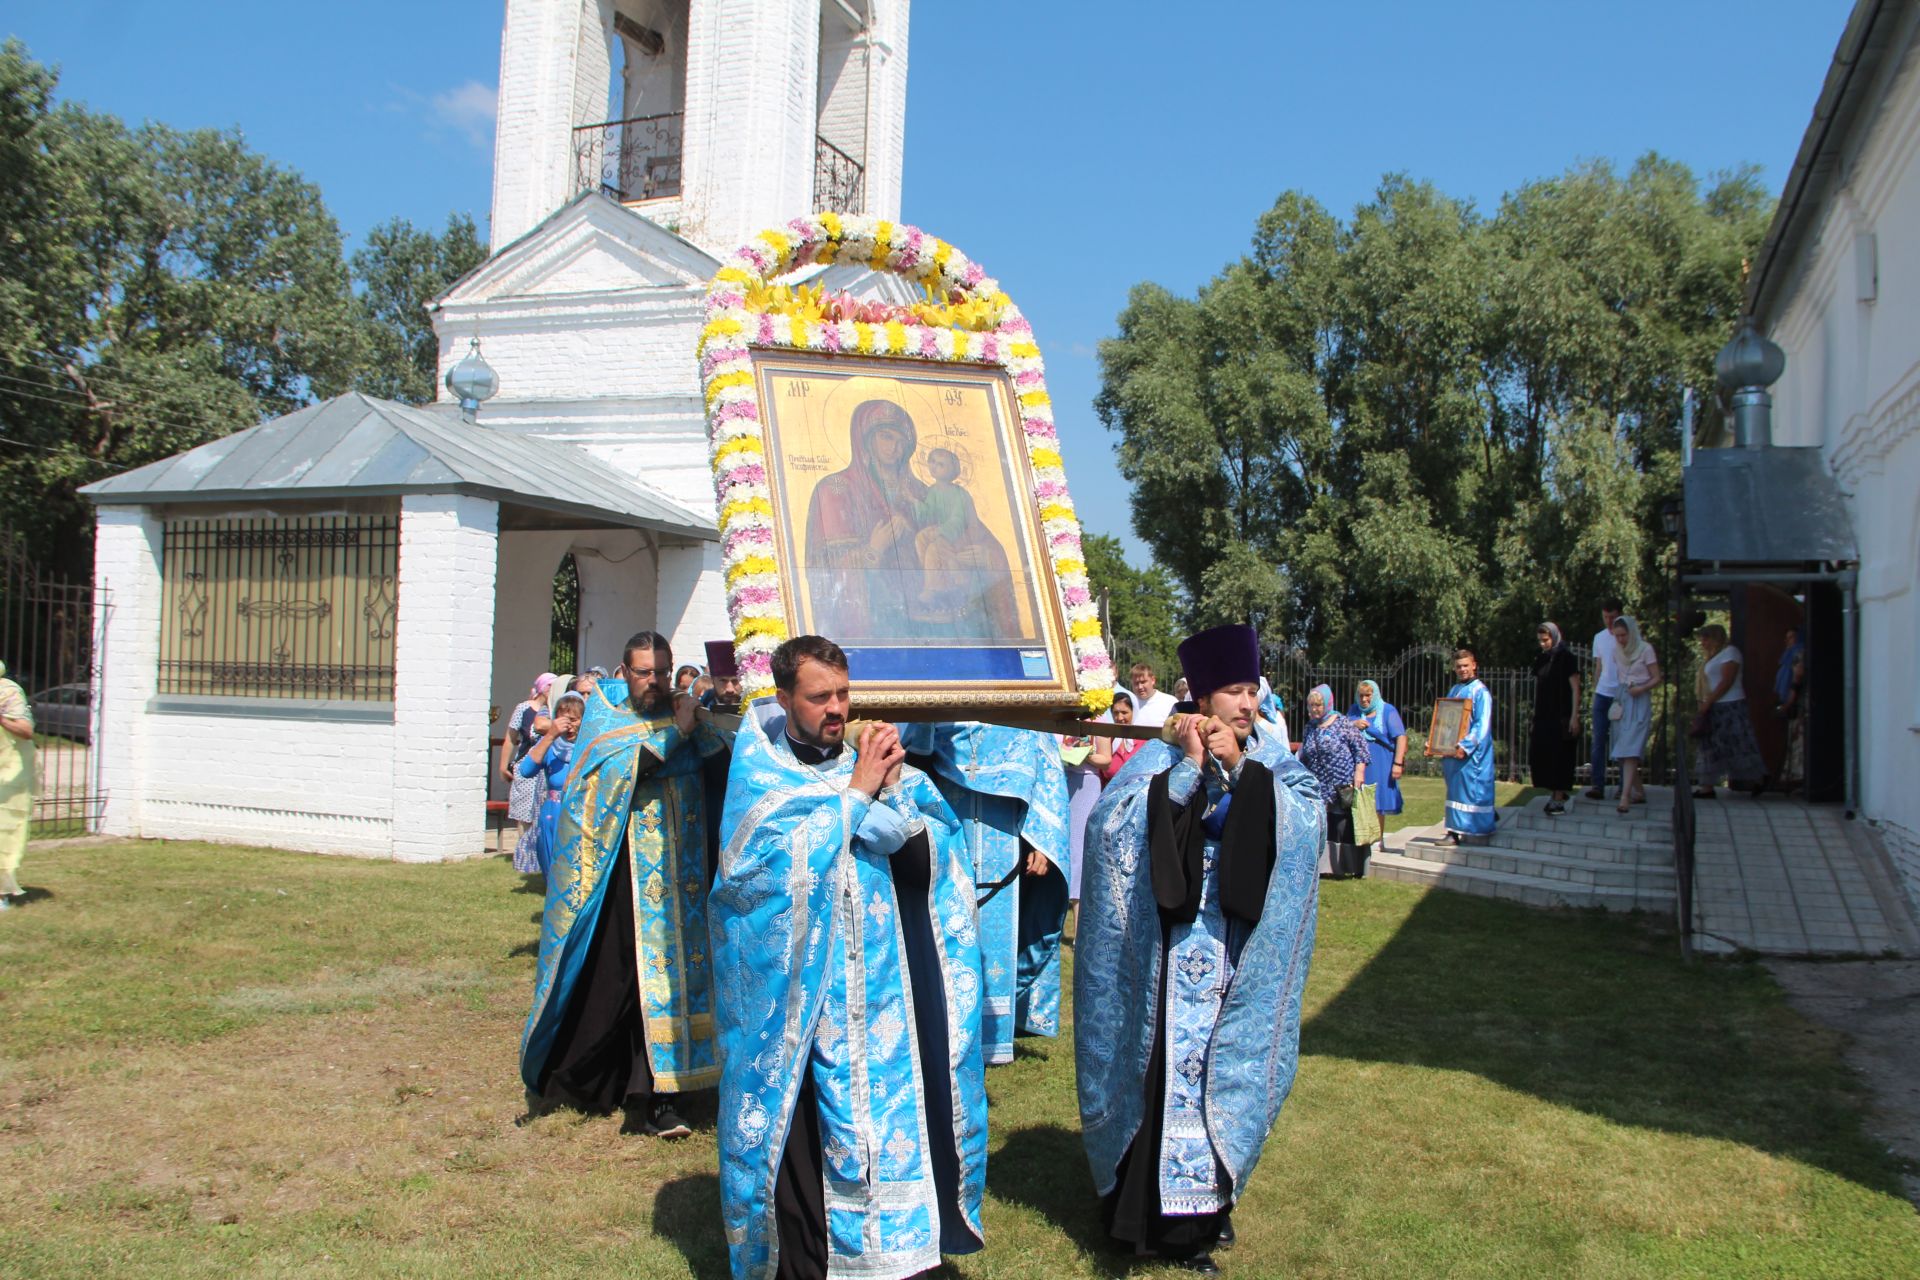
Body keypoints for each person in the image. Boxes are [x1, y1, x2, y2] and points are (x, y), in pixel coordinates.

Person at [712, 635, 987, 1280]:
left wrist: (890, 792)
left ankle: (898, 1256)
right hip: (806, 1004)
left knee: (892, 1130)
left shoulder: (879, 766)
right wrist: (856, 797)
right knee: (814, 1138)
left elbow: (930, 869)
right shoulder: (765, 779)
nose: (836, 710)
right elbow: (756, 882)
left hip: (886, 994)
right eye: (819, 698)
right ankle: (812, 1263)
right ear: (784, 699)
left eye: (842, 694)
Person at [1076, 624, 1322, 1275]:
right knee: (1160, 1079)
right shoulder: (1162, 755)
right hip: (1164, 961)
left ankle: (1205, 1216)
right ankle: (1147, 1226)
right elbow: (1111, 832)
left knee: (1225, 1078)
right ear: (1204, 697)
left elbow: (1306, 823)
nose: (1245, 704)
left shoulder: (1272, 755)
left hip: (1236, 960)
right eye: (1232, 693)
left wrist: (1241, 770)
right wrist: (1188, 770)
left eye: (1251, 692)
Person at [519, 632, 730, 1139]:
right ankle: (592, 1078)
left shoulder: (684, 710)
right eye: (643, 672)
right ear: (625, 671)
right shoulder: (606, 716)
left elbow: (723, 765)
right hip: (619, 877)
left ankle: (664, 1096)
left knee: (677, 986)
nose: (653, 681)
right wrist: (673, 736)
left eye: (661, 671)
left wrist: (702, 729)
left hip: (684, 876)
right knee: (618, 981)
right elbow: (603, 780)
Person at [904, 721, 1071, 1064]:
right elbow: (914, 757)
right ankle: (945, 1029)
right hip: (948, 821)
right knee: (947, 929)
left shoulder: (1019, 708)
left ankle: (994, 1037)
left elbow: (1044, 773)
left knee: (1000, 932)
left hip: (1004, 831)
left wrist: (1038, 842)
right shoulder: (938, 709)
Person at [1692, 623, 1767, 800]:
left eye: (1706, 638)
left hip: (1730, 704)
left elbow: (1726, 681)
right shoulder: (1712, 657)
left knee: (1738, 743)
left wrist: (1709, 700)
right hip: (1714, 706)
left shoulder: (1730, 653)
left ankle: (1759, 777)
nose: (1703, 643)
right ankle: (1707, 786)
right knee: (1709, 745)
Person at [1301, 684, 1369, 877]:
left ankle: (1346, 866)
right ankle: (1325, 868)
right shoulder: (1310, 728)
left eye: (1318, 705)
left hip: (1342, 783)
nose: (1314, 710)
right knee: (1323, 824)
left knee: (1342, 824)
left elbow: (1361, 750)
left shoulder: (1342, 723)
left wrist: (1359, 774)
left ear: (1327, 704)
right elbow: (1305, 755)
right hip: (1318, 784)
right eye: (1311, 706)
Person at [516, 690, 585, 876]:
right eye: (563, 720)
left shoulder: (590, 749)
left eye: (574, 719)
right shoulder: (551, 747)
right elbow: (526, 770)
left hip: (581, 816)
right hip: (553, 816)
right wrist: (550, 736)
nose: (569, 726)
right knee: (555, 876)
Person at [502, 673, 556, 873]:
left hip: (544, 770)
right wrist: (503, 766)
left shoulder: (554, 711)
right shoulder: (524, 709)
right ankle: (524, 858)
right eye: (550, 685)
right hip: (526, 765)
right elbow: (511, 738)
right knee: (524, 814)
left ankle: (540, 858)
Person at [1443, 648, 1496, 843]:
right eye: (1458, 666)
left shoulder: (1480, 691)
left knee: (1473, 790)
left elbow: (1482, 724)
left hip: (1472, 754)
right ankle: (1454, 830)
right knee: (1455, 790)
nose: (1462, 669)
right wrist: (1436, 743)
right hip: (1453, 751)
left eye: (1466, 665)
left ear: (1474, 665)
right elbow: (1445, 720)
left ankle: (1476, 829)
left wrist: (1466, 746)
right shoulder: (1454, 690)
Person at [1608, 615, 1659, 814]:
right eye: (1617, 636)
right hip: (1623, 698)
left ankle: (1624, 797)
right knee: (1622, 750)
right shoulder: (1616, 650)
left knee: (1631, 749)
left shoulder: (1645, 650)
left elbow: (1657, 677)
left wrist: (1642, 688)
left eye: (1624, 635)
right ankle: (1639, 791)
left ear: (1631, 632)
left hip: (1639, 698)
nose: (1621, 640)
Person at [1529, 623, 1582, 815]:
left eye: (1546, 640)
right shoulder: (1542, 659)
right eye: (1540, 641)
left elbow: (1575, 687)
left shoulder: (1567, 658)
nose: (1543, 644)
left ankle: (1558, 797)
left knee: (1560, 756)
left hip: (1562, 714)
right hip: (1544, 714)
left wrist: (1574, 716)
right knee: (1541, 755)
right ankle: (1555, 792)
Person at [0, 660, 35, 908]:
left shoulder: (8, 691)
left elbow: (26, 730)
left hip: (8, 774)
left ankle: (1, 894)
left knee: (2, 834)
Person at [1347, 679, 1406, 825]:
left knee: (1378, 800)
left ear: (1375, 694)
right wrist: (1353, 724)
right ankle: (1362, 837)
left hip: (1382, 762)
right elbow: (1341, 729)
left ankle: (1378, 839)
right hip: (1358, 763)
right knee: (1360, 800)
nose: (1364, 699)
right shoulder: (1354, 710)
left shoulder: (1387, 710)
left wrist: (1398, 763)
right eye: (1361, 695)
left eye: (1368, 695)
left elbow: (1401, 737)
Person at [1585, 599, 1623, 800]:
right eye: (1606, 617)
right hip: (1603, 692)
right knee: (1598, 740)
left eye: (1613, 617)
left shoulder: (1626, 636)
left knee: (1620, 741)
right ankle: (1597, 784)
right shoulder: (1599, 638)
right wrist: (1595, 687)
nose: (1609, 621)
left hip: (1620, 693)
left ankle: (1623, 786)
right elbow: (1599, 664)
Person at [1095, 691, 1143, 783]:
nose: (1119, 718)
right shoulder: (1106, 742)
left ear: (1134, 712)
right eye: (1115, 713)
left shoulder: (1144, 743)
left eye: (1124, 712)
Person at [1127, 662, 1178, 728]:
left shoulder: (1170, 702)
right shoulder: (1128, 702)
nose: (1140, 687)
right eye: (1136, 683)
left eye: (1143, 682)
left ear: (1153, 680)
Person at [701, 640, 743, 714]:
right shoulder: (702, 709)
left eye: (735, 681)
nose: (730, 689)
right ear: (713, 680)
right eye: (723, 681)